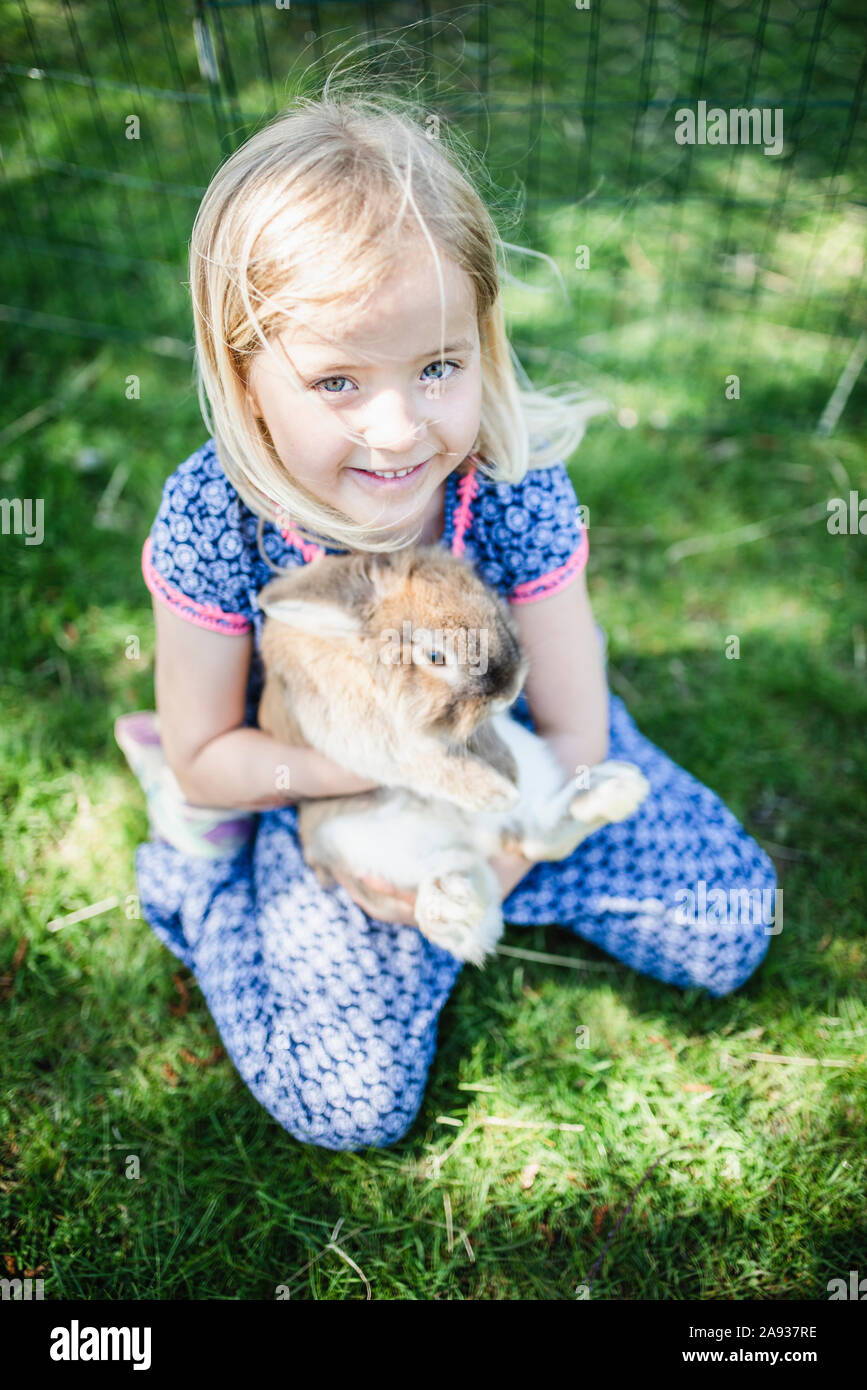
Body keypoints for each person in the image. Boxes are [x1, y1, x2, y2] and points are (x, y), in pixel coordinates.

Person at [115, 95, 777, 1152]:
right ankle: (205, 897)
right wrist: (378, 821)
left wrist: (505, 855)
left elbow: (574, 716)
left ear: (483, 340)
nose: (398, 427)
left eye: (437, 367)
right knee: (350, 1107)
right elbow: (207, 756)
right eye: (337, 380)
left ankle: (516, 905)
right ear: (246, 377)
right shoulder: (214, 519)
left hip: (513, 770)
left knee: (733, 923)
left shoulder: (514, 487)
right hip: (331, 799)